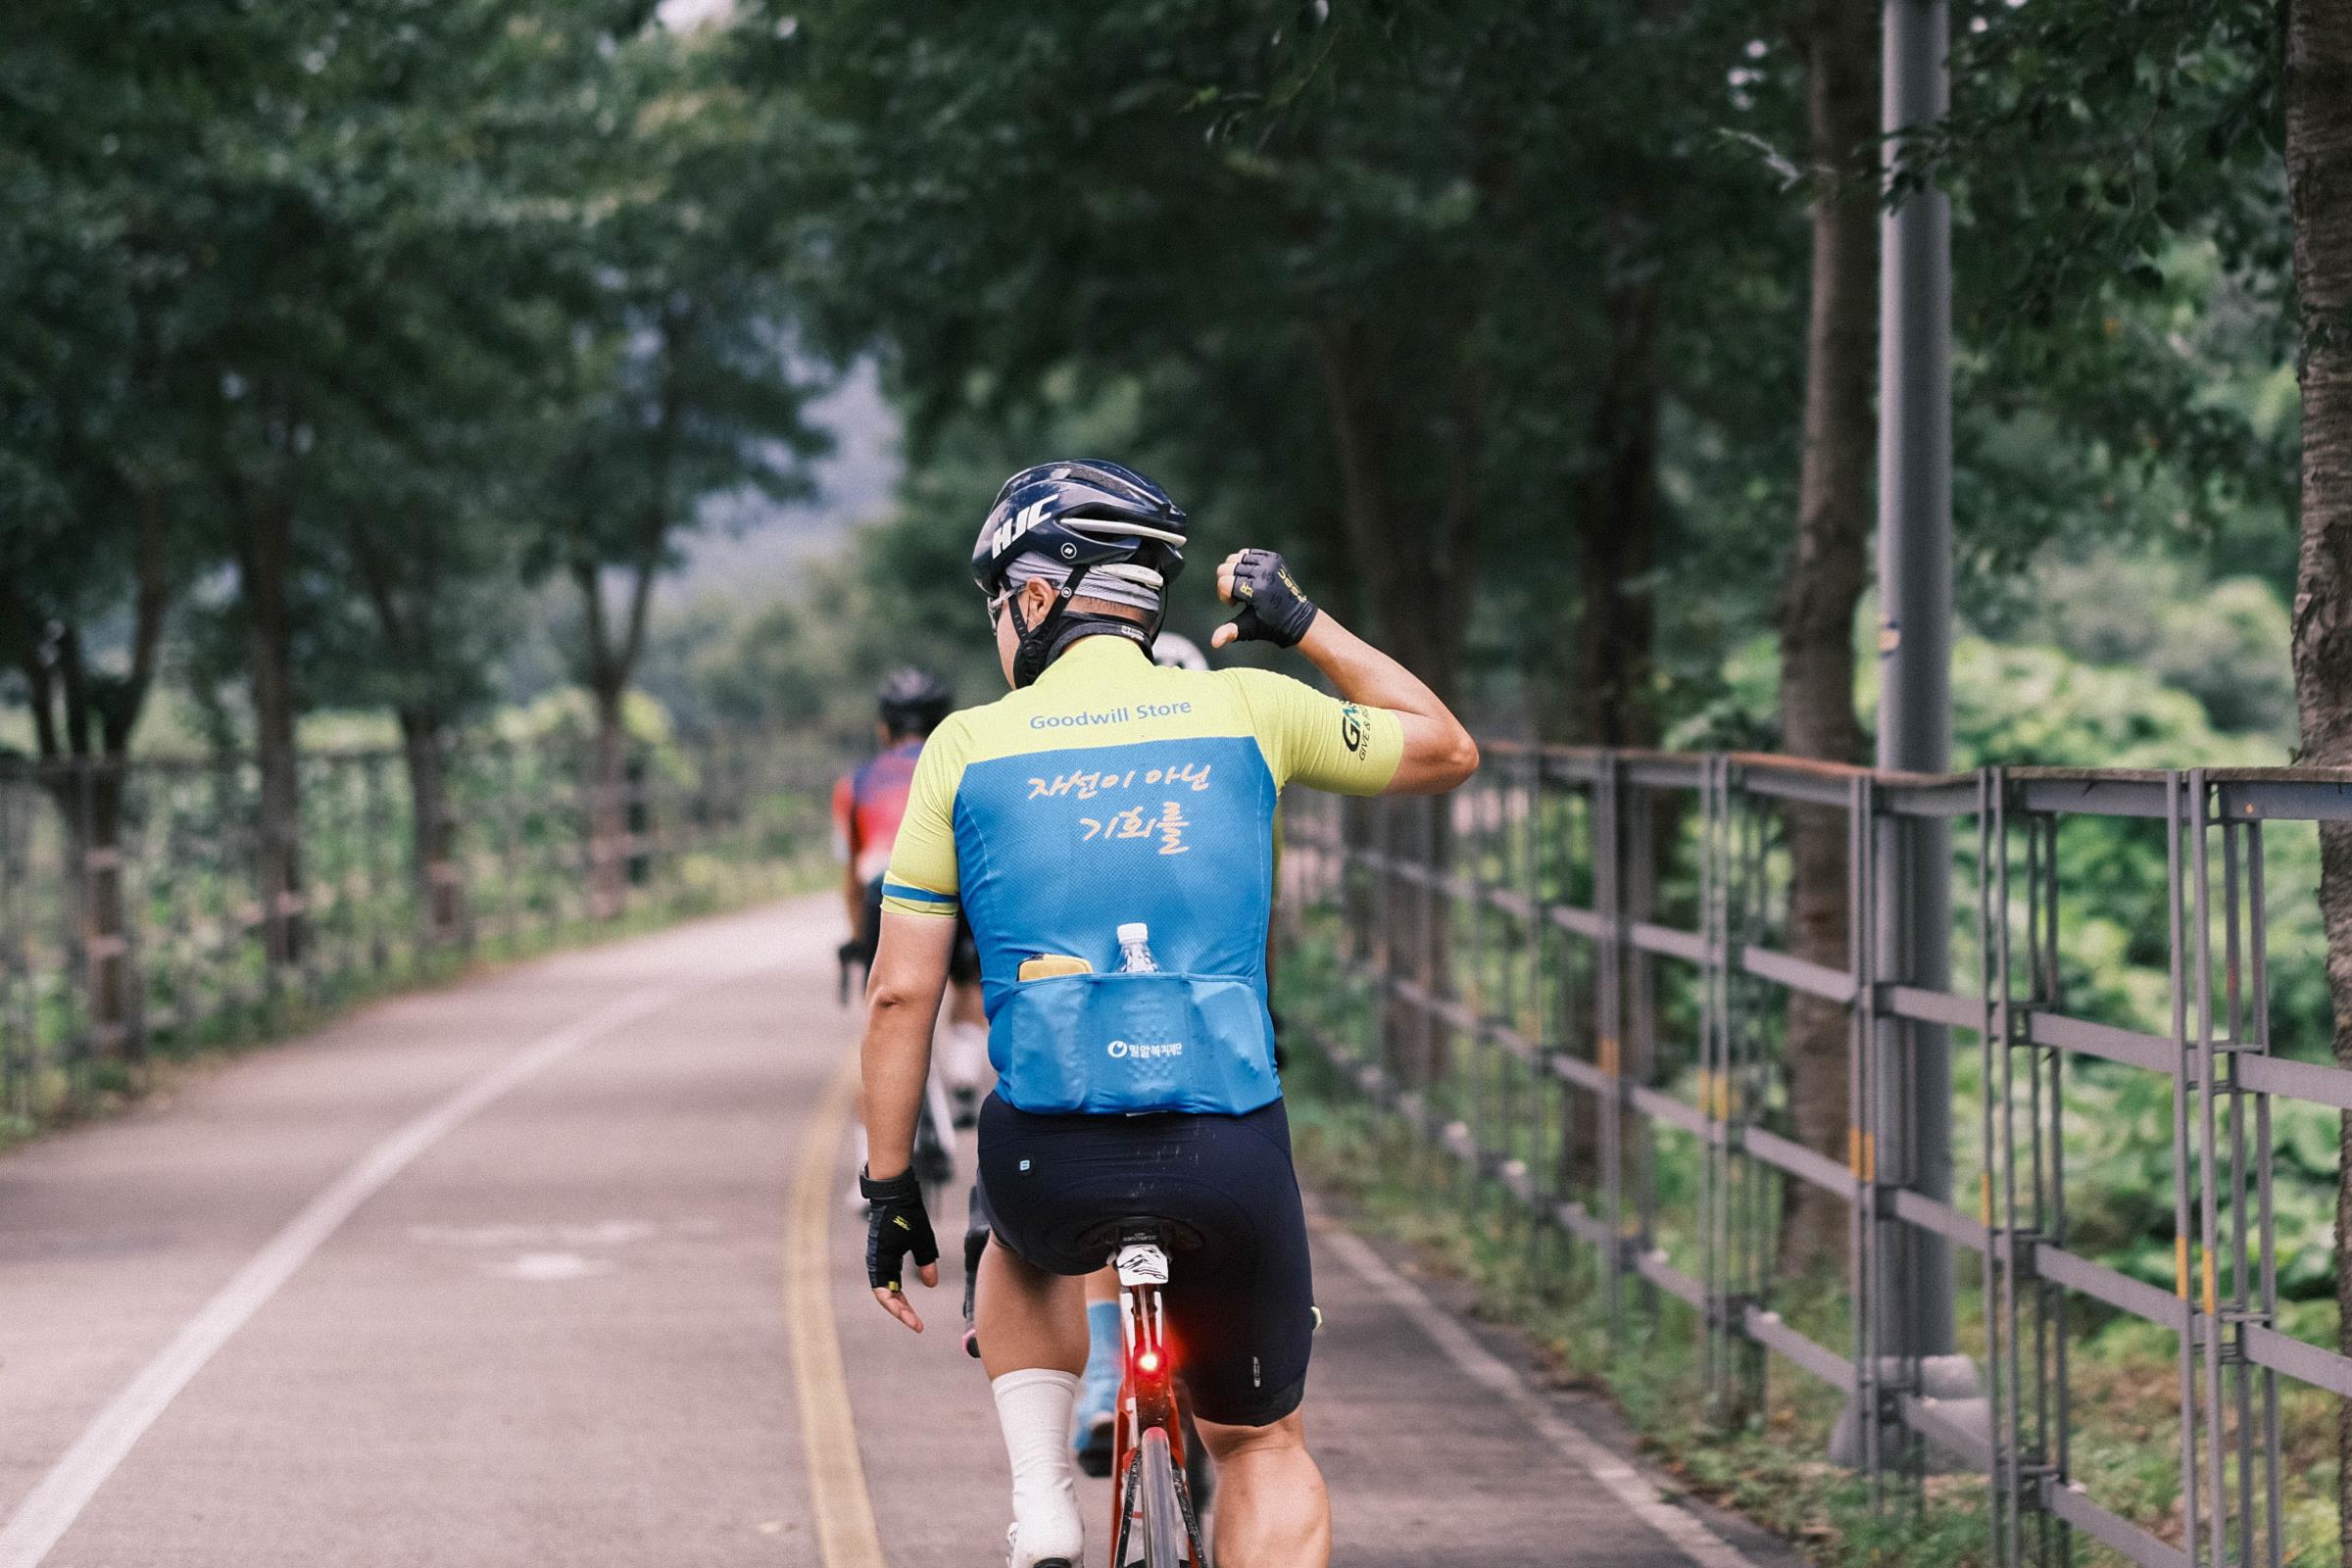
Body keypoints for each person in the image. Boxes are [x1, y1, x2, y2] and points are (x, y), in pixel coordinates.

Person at [855, 460, 1478, 1568]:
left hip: (1055, 1161)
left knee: (1014, 1231)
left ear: (1037, 596)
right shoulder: (1248, 708)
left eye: (998, 602)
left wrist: (890, 1188)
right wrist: (1305, 625)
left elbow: (902, 991)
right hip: (1229, 1153)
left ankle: (1044, 1500)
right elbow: (1446, 747)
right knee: (1261, 1444)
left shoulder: (965, 747)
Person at [833, 669, 988, 1131]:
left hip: (882, 892)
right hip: (954, 886)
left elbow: (851, 876)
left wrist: (859, 939)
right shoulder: (963, 767)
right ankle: (964, 1073)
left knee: (885, 1018)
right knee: (968, 981)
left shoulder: (855, 784)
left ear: (884, 728)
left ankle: (875, 1152)